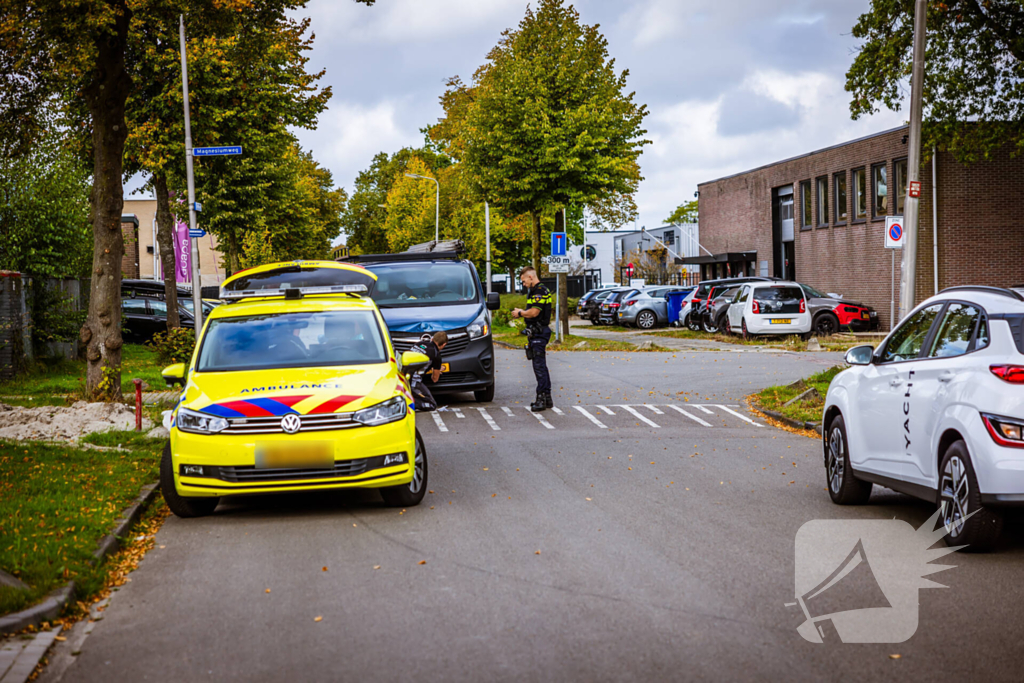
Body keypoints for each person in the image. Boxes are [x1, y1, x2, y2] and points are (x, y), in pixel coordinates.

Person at [511, 267, 552, 412]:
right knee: (541, 366)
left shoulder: (539, 291)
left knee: (539, 367)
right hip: (538, 332)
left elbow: (534, 312)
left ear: (530, 277)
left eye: (523, 281)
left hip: (539, 333)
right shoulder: (538, 290)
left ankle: (541, 399)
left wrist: (520, 313)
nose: (523, 284)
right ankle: (547, 397)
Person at [409, 331, 448, 411]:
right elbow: (434, 379)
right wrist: (437, 370)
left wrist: (431, 367)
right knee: (431, 405)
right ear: (444, 344)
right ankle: (407, 405)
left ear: (432, 339)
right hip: (413, 382)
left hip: (402, 377)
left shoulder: (419, 344)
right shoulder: (436, 355)